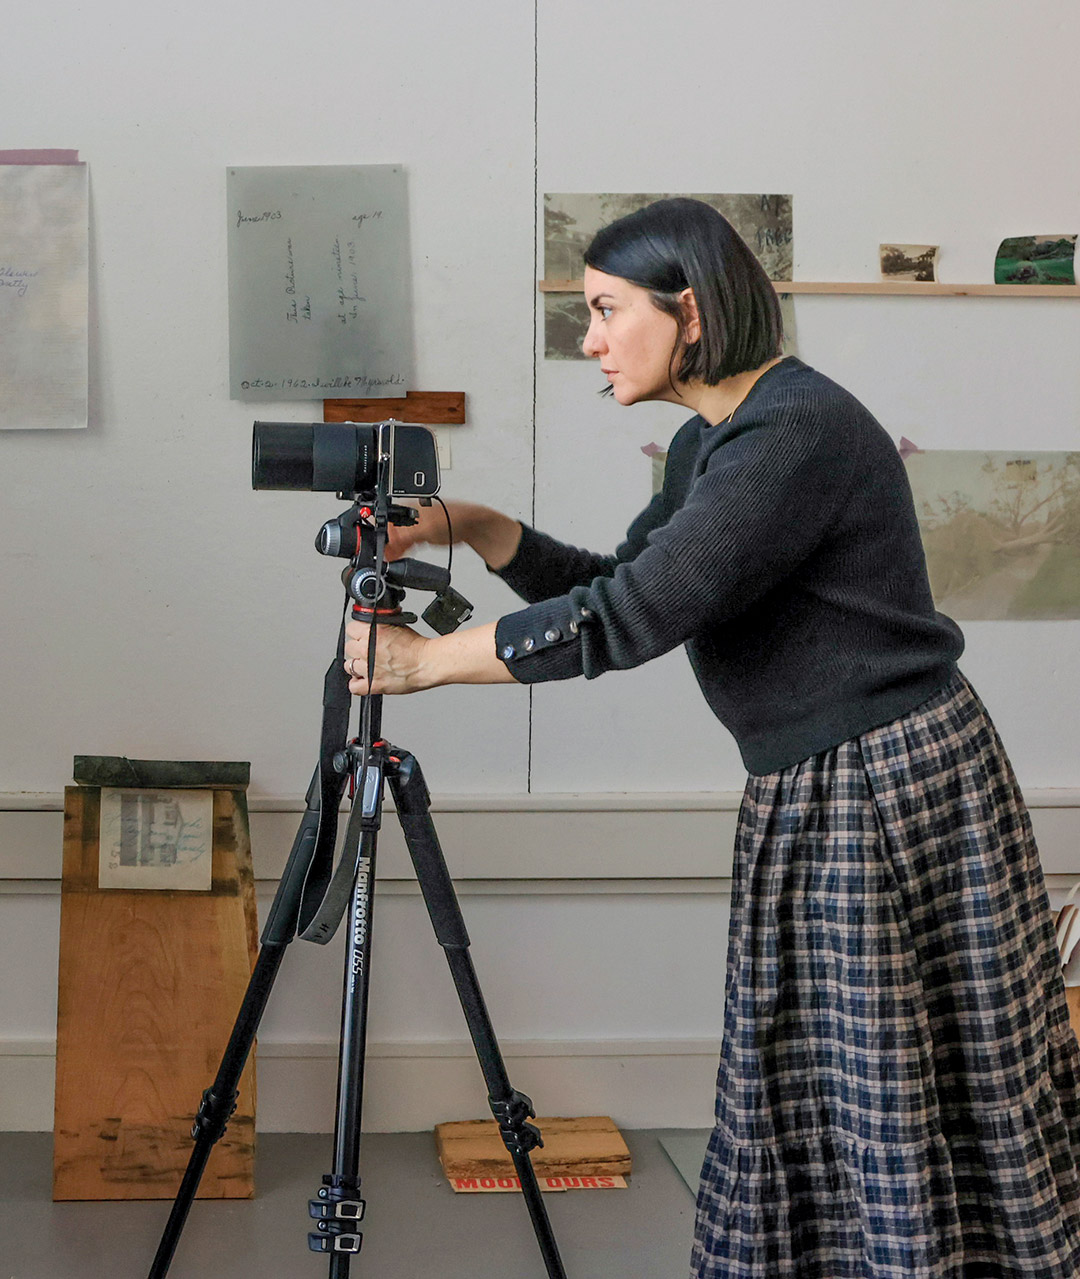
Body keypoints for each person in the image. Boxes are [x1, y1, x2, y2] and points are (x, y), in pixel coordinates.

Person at [343, 198, 1080, 1278]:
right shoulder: (713, 441)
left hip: (886, 784)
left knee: (891, 1084)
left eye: (603, 310)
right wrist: (482, 527)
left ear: (686, 311)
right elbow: (617, 584)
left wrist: (424, 663)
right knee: (828, 1083)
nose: (588, 338)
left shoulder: (796, 432)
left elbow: (633, 618)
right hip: (822, 784)